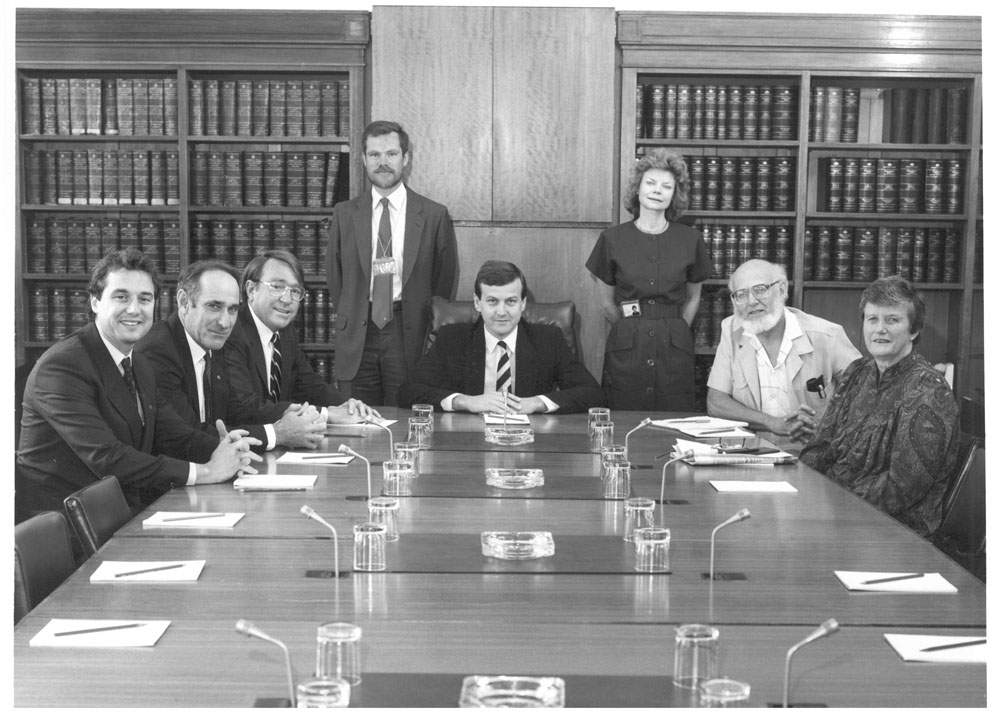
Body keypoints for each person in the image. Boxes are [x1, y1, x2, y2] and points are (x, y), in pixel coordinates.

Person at [15, 249, 261, 527]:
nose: (134, 309)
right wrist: (206, 472)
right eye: (121, 297)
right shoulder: (62, 366)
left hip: (121, 512)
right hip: (68, 530)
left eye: (144, 299)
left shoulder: (139, 363)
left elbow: (174, 435)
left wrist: (229, 450)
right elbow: (108, 457)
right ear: (95, 301)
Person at [799, 276, 959, 538]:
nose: (880, 329)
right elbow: (819, 447)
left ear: (914, 330)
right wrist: (803, 490)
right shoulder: (856, 373)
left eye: (892, 320)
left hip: (893, 531)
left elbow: (902, 488)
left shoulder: (928, 390)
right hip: (835, 513)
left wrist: (829, 503)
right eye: (872, 319)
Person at [326, 120, 458, 406]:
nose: (382, 162)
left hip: (408, 331)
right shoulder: (344, 214)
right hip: (358, 332)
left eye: (391, 154)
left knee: (406, 414)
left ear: (406, 159)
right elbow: (336, 278)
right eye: (374, 154)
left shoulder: (433, 215)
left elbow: (444, 281)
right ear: (363, 159)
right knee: (357, 419)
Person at [136, 260, 328, 451]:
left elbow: (235, 410)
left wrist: (287, 414)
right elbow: (186, 435)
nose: (225, 322)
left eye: (233, 309)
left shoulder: (212, 341)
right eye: (214, 306)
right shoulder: (158, 351)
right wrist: (277, 434)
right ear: (184, 302)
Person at [586, 147, 711, 411]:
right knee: (623, 416)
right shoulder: (612, 239)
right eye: (651, 183)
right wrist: (631, 328)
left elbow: (693, 297)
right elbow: (607, 303)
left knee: (674, 419)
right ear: (638, 189)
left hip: (674, 344)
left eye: (667, 186)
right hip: (627, 342)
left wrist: (676, 328)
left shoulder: (691, 239)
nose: (657, 191)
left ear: (674, 194)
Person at [397, 260, 605, 414]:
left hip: (529, 440)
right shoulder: (452, 339)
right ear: (478, 303)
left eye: (511, 301)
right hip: (467, 439)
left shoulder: (548, 339)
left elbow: (593, 394)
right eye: (492, 301)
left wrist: (537, 403)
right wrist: (466, 402)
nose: (502, 312)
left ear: (523, 303)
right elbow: (408, 392)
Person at [706, 259, 860, 444]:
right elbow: (716, 402)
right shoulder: (731, 330)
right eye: (741, 294)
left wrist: (827, 427)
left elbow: (867, 395)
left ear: (781, 289)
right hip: (750, 452)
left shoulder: (826, 335)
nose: (752, 301)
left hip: (813, 452)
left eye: (760, 290)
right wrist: (771, 423)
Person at [222, 250, 377, 422]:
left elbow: (308, 383)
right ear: (251, 290)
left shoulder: (285, 332)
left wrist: (346, 406)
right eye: (277, 287)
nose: (287, 299)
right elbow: (246, 406)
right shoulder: (232, 332)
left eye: (295, 291)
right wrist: (327, 414)